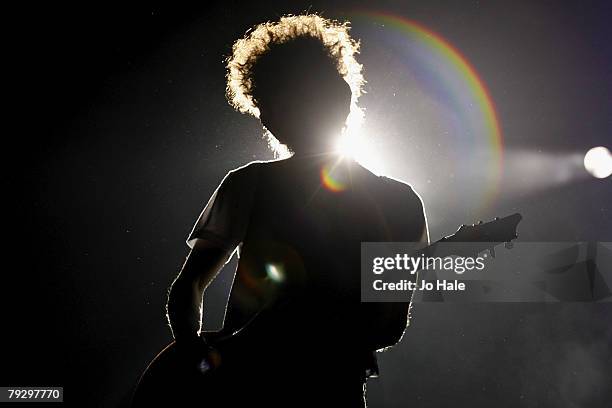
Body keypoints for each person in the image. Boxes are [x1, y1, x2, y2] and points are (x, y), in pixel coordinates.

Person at [165, 14, 429, 407]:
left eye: (285, 99)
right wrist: (195, 357)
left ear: (340, 97)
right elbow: (188, 288)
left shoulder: (396, 202)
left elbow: (388, 328)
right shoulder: (248, 184)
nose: (269, 117)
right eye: (266, 105)